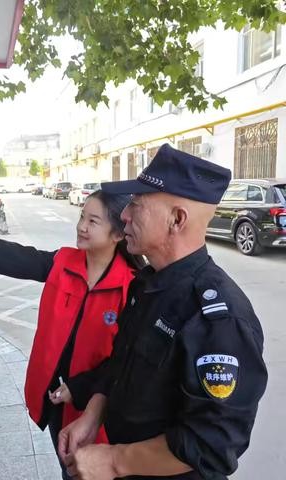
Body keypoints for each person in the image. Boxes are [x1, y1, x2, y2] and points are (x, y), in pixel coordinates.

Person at [57, 143, 268, 480]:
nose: (124, 215)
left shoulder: (218, 318)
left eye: (136, 206)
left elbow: (209, 446)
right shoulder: (148, 284)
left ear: (177, 219)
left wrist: (113, 461)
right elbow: (123, 364)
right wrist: (94, 411)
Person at [0, 190, 145, 478]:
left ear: (117, 234)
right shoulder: (63, 262)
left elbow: (124, 362)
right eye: (81, 217)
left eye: (93, 221)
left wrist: (79, 388)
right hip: (54, 402)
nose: (81, 226)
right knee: (68, 469)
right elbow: (21, 258)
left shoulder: (132, 287)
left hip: (93, 410)